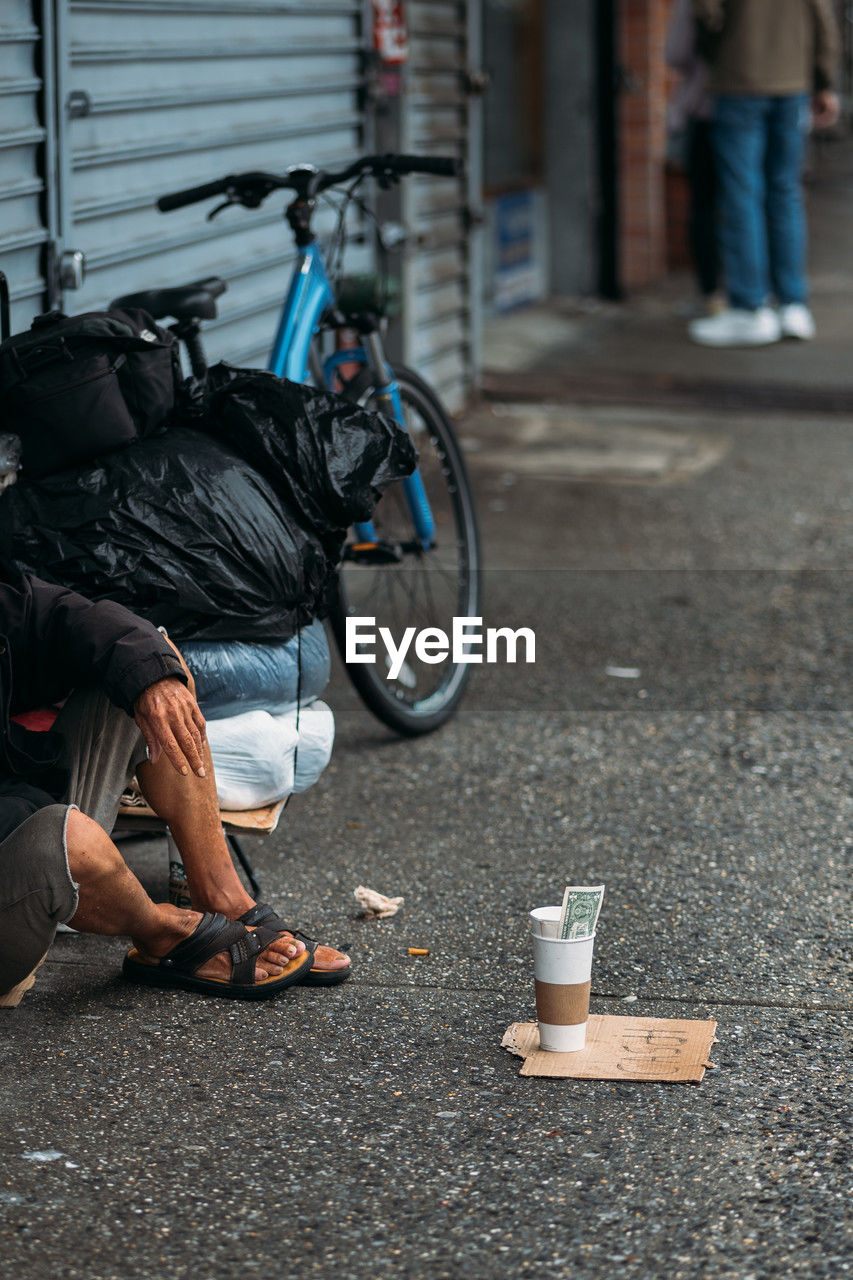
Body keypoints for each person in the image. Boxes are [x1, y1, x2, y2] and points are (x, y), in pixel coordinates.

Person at [0, 571, 350, 1006]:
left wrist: (151, 676)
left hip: (22, 796)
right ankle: (163, 931)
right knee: (71, 840)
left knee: (149, 668)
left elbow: (53, 613)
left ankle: (222, 897)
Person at [688, 0, 840, 347]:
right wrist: (824, 80)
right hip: (792, 82)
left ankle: (749, 307)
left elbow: (705, 12)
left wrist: (716, 54)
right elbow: (822, 20)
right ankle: (792, 305)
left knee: (742, 195)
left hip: (740, 78)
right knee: (785, 191)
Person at [667, 0, 721, 313]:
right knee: (760, 199)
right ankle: (756, 293)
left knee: (705, 206)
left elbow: (676, 52)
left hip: (708, 108)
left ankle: (712, 292)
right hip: (777, 102)